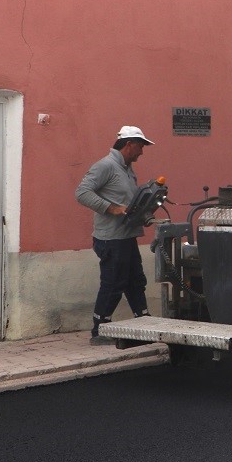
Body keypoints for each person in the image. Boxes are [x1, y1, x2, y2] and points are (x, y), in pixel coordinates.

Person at [75, 126, 156, 343]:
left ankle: (143, 320)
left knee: (135, 280)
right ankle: (99, 330)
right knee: (113, 283)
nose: (142, 152)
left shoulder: (127, 169)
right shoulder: (105, 166)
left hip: (126, 236)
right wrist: (111, 208)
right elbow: (82, 193)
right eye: (140, 147)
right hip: (111, 238)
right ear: (129, 144)